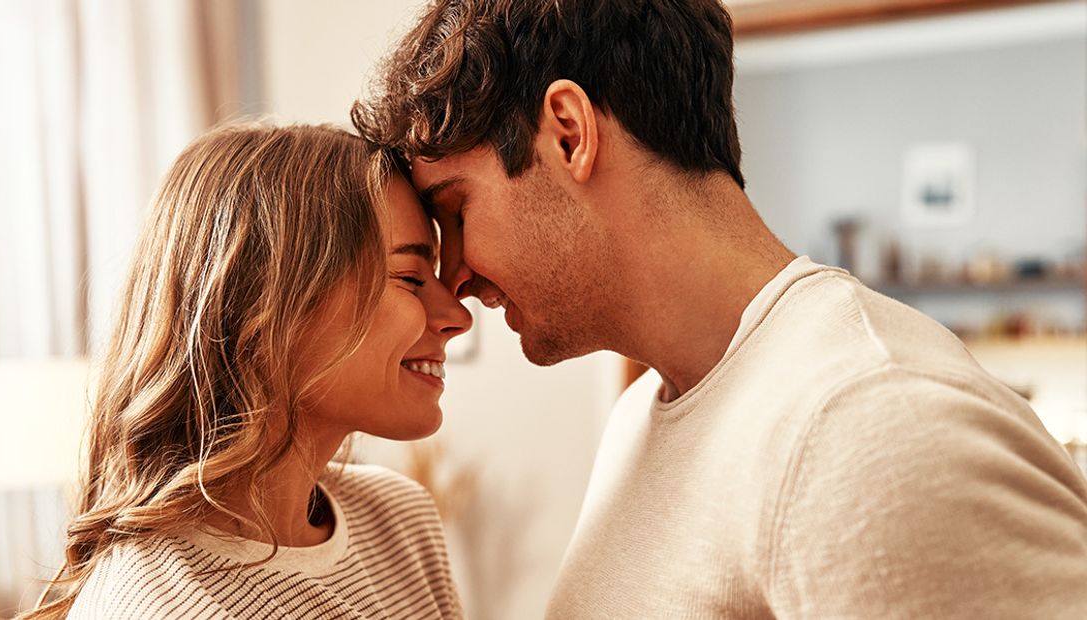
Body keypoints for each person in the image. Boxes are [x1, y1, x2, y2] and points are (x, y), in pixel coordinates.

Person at [352, 0, 1087, 617]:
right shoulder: (645, 413)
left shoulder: (873, 428)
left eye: (456, 210)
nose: (459, 282)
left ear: (569, 134)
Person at [23, 122, 470, 619]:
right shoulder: (161, 606)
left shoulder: (399, 520)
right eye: (410, 278)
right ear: (267, 308)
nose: (457, 316)